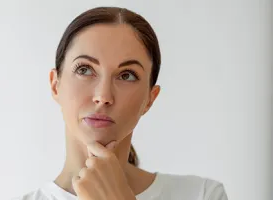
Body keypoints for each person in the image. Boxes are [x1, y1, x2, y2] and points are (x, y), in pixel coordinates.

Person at [13, 6, 228, 200]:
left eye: (126, 75)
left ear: (149, 99)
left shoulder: (202, 195)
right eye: (84, 69)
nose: (103, 95)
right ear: (55, 85)